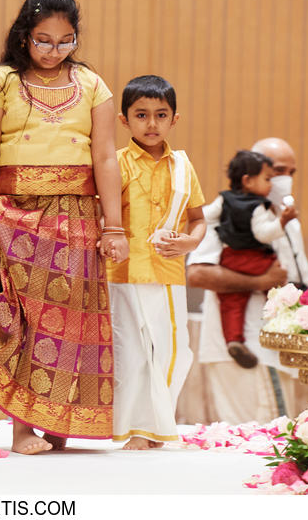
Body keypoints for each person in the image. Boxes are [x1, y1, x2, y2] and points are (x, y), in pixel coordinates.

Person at [0, 0, 128, 455]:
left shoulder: (92, 85)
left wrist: (114, 226)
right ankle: (23, 426)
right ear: (24, 35)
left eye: (64, 41)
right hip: (13, 214)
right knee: (22, 319)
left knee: (72, 321)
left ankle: (61, 418)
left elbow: (105, 157)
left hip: (77, 215)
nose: (53, 51)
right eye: (42, 40)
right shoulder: (1, 81)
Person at [106, 75, 206, 450]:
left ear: (174, 120)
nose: (151, 124)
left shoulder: (182, 167)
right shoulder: (115, 164)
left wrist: (190, 243)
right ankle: (136, 431)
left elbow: (198, 219)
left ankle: (156, 426)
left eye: (160, 115)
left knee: (174, 352)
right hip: (123, 273)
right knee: (129, 355)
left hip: (166, 272)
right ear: (124, 120)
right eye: (141, 115)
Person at [186, 137, 308, 424]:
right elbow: (197, 274)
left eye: (291, 173)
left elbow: (300, 278)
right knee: (255, 440)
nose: (284, 180)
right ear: (252, 173)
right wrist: (261, 282)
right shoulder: (226, 214)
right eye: (278, 171)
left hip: (279, 346)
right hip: (244, 347)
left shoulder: (287, 221)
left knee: (276, 444)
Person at [201, 150, 298, 369]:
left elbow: (206, 216)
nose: (272, 185)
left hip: (230, 258)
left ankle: (234, 340)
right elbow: (263, 234)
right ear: (247, 180)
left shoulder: (223, 199)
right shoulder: (258, 207)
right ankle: (284, 322)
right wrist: (282, 222)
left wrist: (189, 215)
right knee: (279, 285)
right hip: (254, 258)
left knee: (232, 302)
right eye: (267, 179)